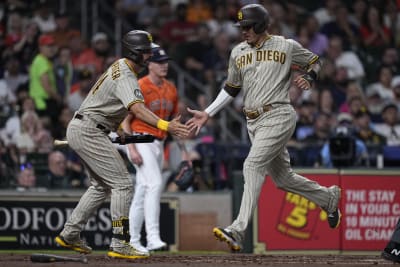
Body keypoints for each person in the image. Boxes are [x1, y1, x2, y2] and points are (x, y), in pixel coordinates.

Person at [186, 4, 341, 252]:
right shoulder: (237, 51)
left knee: (252, 164)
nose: (243, 31)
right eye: (241, 27)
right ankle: (327, 198)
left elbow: (315, 61)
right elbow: (231, 88)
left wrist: (310, 77)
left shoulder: (285, 45)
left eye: (247, 27)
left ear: (260, 25)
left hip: (278, 114)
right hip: (253, 122)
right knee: (282, 179)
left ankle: (237, 230)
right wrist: (208, 113)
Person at [54, 30, 189, 260]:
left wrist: (118, 130)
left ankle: (70, 234)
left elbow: (107, 104)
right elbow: (136, 109)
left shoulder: (121, 66)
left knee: (100, 187)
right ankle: (120, 242)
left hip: (86, 127)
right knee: (123, 184)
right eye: (146, 53)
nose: (149, 56)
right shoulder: (126, 75)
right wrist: (166, 126)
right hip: (89, 130)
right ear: (136, 53)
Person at [121, 44, 185, 253]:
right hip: (139, 139)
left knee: (142, 191)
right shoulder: (139, 85)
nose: (164, 65)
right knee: (155, 184)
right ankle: (153, 238)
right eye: (159, 62)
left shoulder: (171, 89)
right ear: (149, 64)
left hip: (157, 142)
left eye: (166, 61)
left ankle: (132, 240)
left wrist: (184, 152)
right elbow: (124, 120)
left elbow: (174, 124)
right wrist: (131, 148)